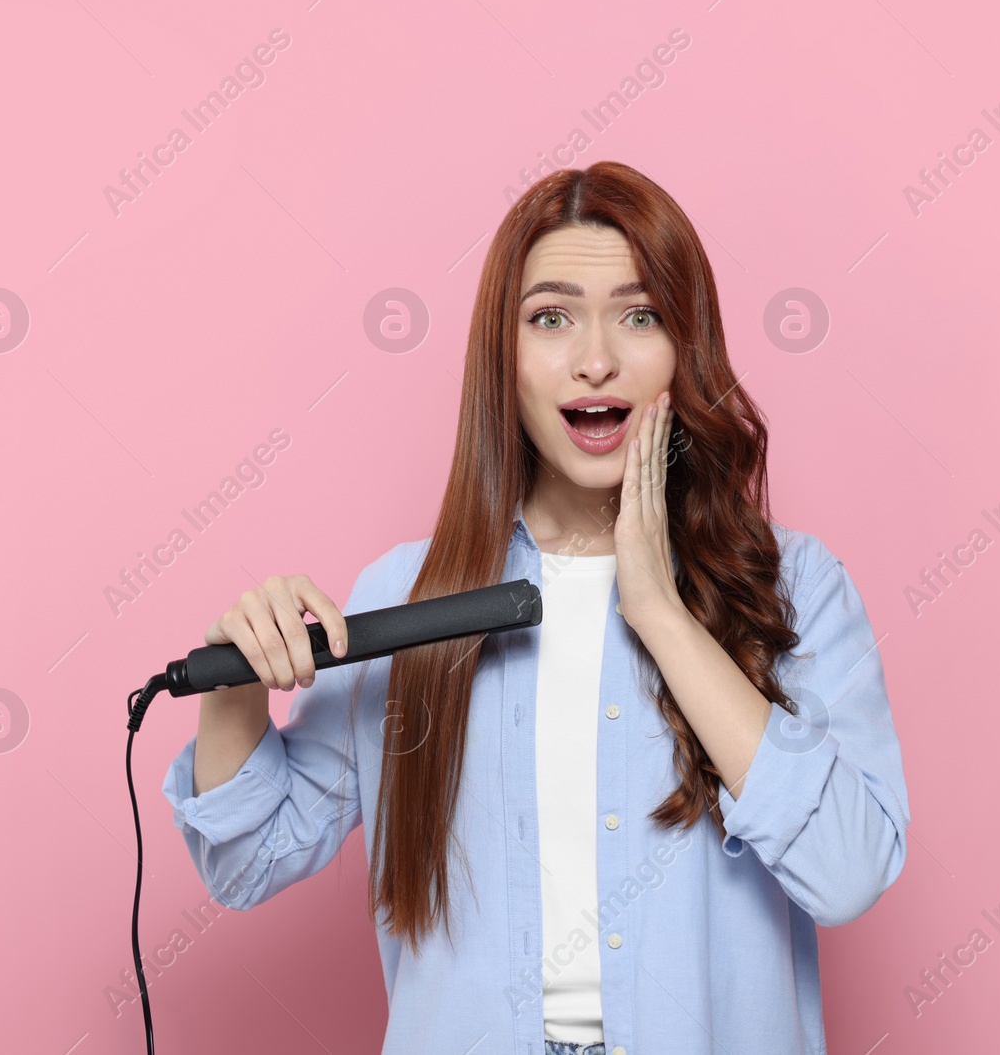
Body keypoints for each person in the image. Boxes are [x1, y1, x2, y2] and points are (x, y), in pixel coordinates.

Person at [162, 161, 911, 1055]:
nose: (596, 358)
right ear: (503, 358)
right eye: (550, 318)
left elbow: (851, 870)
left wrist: (662, 615)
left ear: (686, 347)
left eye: (641, 315)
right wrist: (238, 680)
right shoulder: (407, 598)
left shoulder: (794, 585)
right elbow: (247, 862)